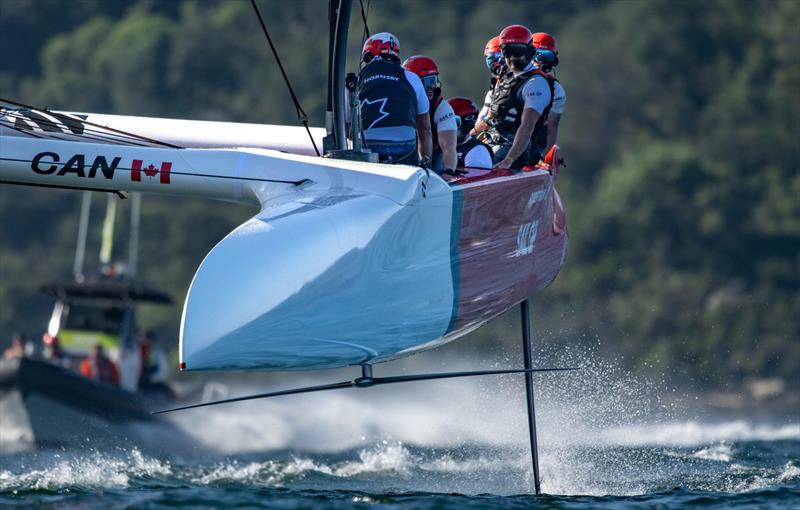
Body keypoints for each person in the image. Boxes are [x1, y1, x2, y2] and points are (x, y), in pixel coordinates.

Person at [478, 25, 555, 169]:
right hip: (491, 138)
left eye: (517, 51)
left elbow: (527, 127)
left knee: (484, 164)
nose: (512, 57)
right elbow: (490, 118)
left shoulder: (536, 84)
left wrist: (508, 160)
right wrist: (468, 137)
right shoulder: (505, 76)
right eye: (506, 52)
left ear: (529, 51)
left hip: (517, 148)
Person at [358, 32, 432, 166]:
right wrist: (427, 164)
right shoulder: (412, 78)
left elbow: (346, 128)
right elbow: (425, 130)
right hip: (404, 150)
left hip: (368, 149)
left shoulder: (356, 81)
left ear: (368, 56)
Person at [402, 55, 458, 173]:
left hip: (434, 161)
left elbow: (449, 147)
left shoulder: (442, 108)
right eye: (425, 82)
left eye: (433, 81)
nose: (430, 87)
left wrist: (448, 172)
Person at [531, 32, 566, 155]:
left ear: (554, 60)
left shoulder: (556, 90)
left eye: (546, 56)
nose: (540, 62)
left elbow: (551, 131)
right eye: (536, 55)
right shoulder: (508, 79)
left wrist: (540, 157)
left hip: (530, 144)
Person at [447, 97, 493, 170]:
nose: (445, 128)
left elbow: (477, 180)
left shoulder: (477, 151)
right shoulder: (438, 147)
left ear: (466, 125)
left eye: (453, 122)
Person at [476, 35, 504, 126]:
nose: (495, 65)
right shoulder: (494, 86)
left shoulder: (514, 82)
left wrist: (475, 132)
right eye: (490, 60)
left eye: (498, 58)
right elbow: (483, 114)